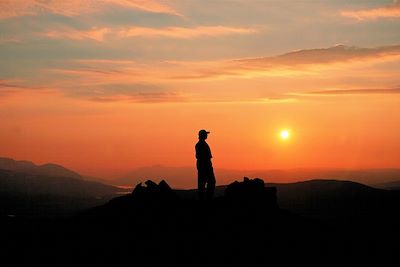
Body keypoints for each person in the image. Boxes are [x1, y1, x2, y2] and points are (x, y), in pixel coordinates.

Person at [195, 129, 216, 200]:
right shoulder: (200, 145)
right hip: (205, 166)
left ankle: (205, 198)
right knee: (209, 182)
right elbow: (201, 157)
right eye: (205, 134)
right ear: (203, 135)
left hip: (204, 166)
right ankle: (207, 198)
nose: (207, 135)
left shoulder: (201, 144)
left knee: (204, 183)